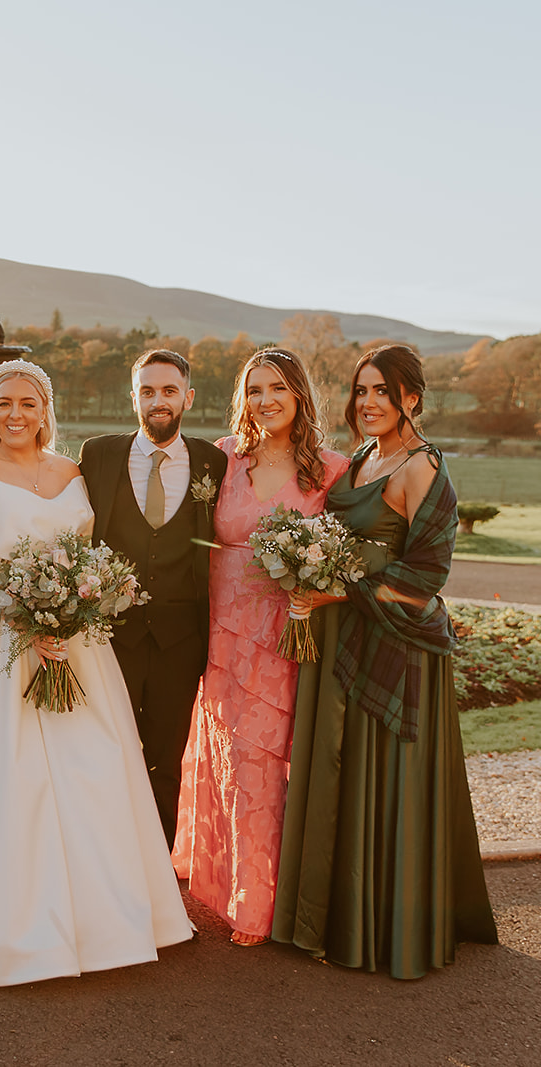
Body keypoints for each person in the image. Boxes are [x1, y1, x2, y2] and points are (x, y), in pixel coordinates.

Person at [0, 360, 192, 991]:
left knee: (94, 766)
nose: (16, 414)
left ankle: (105, 921)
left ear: (46, 410)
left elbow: (86, 551)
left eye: (28, 403)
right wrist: (20, 616)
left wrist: (68, 611)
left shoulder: (71, 472)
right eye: (4, 403)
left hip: (72, 637)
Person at [271, 343, 498, 978]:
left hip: (396, 641)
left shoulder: (423, 467)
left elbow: (428, 575)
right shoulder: (366, 457)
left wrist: (339, 588)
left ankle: (385, 931)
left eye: (382, 392)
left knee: (383, 779)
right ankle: (332, 918)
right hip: (341, 633)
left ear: (412, 399)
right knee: (339, 773)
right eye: (361, 390)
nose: (369, 403)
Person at [171, 348, 351, 945]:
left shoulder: (330, 470)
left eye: (277, 388)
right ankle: (218, 883)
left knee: (268, 759)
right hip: (221, 629)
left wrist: (317, 591)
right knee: (223, 749)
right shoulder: (222, 459)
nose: (265, 400)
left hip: (284, 632)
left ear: (299, 394)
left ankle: (261, 900)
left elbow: (349, 557)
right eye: (254, 390)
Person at [77, 349, 227, 847]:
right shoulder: (98, 454)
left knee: (166, 763)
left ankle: (155, 882)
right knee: (104, 755)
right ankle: (102, 867)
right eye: (147, 390)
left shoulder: (213, 461)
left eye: (168, 390)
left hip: (180, 642)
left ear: (188, 396)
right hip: (108, 639)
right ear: (133, 396)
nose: (157, 401)